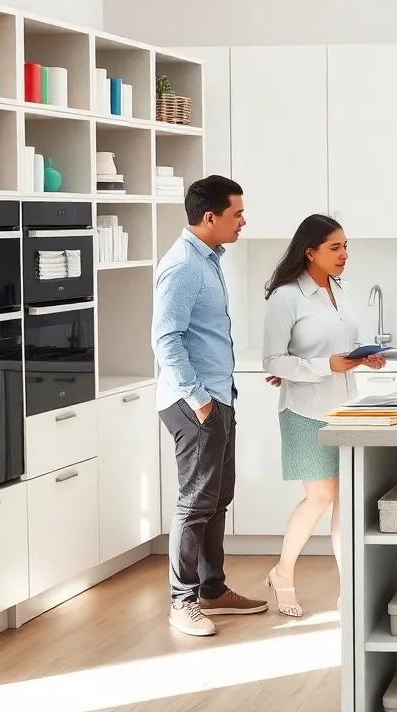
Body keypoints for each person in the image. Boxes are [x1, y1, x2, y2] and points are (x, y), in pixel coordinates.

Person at [152, 175, 268, 637]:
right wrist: (200, 402)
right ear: (210, 217)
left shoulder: (208, 259)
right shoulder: (182, 265)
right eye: (237, 213)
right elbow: (166, 339)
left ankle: (212, 590)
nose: (243, 220)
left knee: (218, 498)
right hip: (194, 402)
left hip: (218, 397)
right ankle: (182, 602)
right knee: (195, 503)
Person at [260, 214, 385, 618]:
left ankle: (348, 589)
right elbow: (273, 360)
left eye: (346, 246)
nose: (344, 254)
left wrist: (363, 359)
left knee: (344, 501)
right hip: (305, 411)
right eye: (336, 247)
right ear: (309, 252)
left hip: (345, 409)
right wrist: (324, 365)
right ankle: (283, 573)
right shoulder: (286, 297)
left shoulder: (341, 290)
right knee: (321, 496)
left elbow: (341, 348)